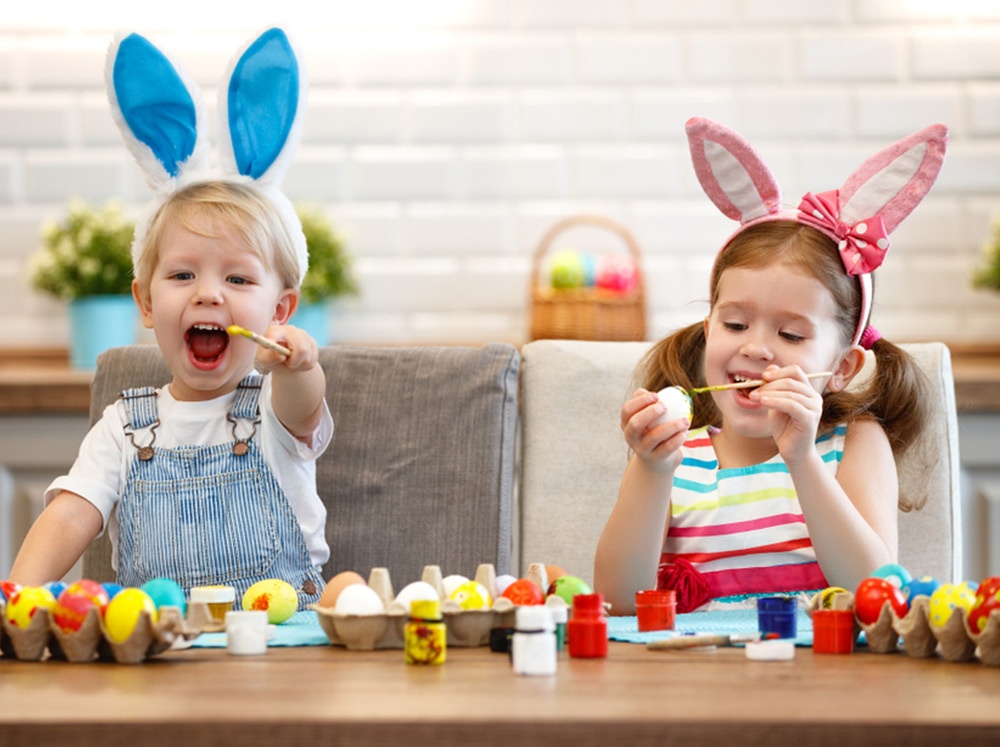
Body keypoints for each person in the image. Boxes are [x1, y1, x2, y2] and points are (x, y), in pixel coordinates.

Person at [9, 28, 330, 605]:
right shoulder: (122, 430)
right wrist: (17, 594)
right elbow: (69, 517)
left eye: (237, 279)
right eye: (183, 275)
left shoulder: (273, 410)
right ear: (146, 303)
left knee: (347, 593)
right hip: (155, 650)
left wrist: (299, 363)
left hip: (283, 644)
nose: (207, 294)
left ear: (279, 310)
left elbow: (304, 407)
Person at [594, 117, 948, 614]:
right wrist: (651, 470)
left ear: (842, 367)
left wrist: (802, 458)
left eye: (791, 335)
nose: (757, 348)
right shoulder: (675, 457)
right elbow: (618, 602)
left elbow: (878, 594)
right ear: (708, 331)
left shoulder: (851, 445)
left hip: (823, 685)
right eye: (735, 325)